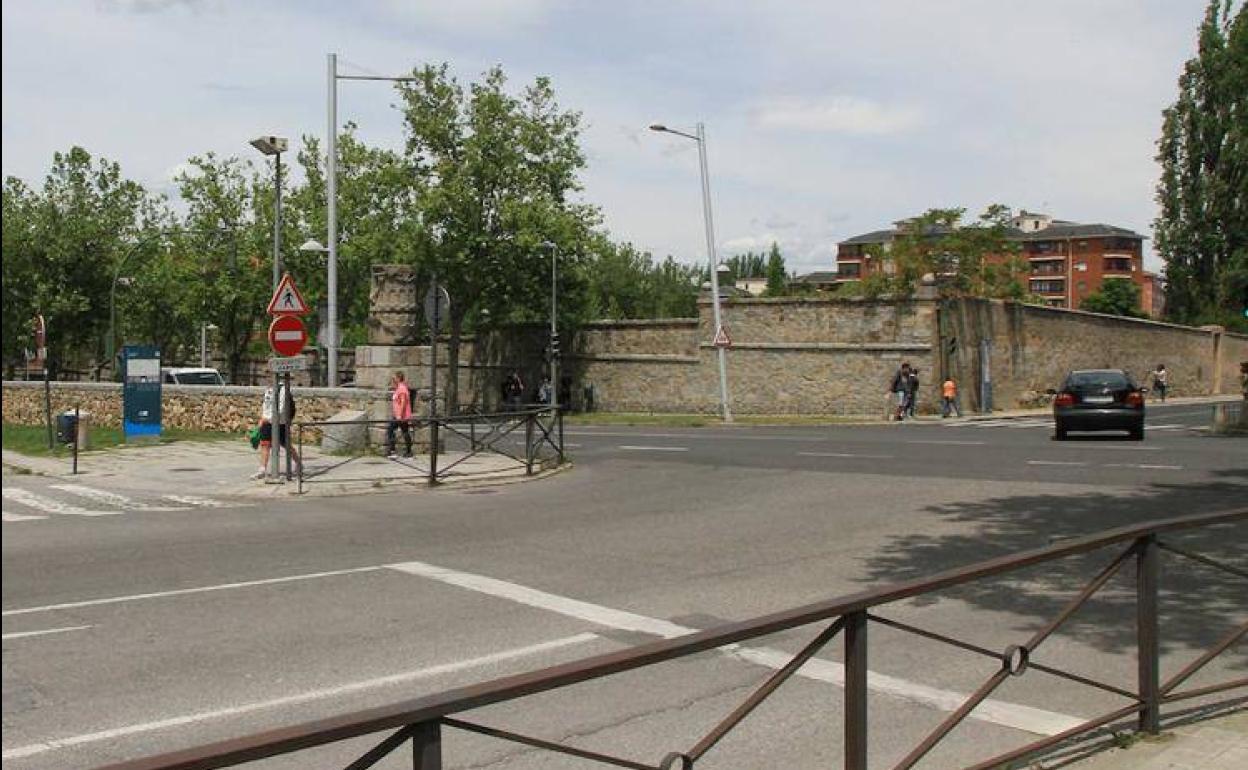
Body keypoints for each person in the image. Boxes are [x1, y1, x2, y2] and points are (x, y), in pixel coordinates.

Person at [252, 382, 302, 479]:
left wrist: (269, 418)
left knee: (286, 445)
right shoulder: (269, 388)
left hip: (279, 422)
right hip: (267, 421)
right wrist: (263, 418)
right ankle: (262, 469)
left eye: (269, 373)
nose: (267, 377)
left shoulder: (282, 389)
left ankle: (298, 463)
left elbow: (281, 408)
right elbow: (266, 405)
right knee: (265, 444)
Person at [385, 370, 413, 458]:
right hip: (399, 415)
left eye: (394, 378)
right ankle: (408, 452)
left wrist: (399, 415)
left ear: (398, 378)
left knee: (390, 430)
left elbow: (403, 402)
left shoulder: (401, 388)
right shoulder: (399, 388)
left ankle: (393, 451)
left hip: (400, 415)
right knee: (405, 431)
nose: (393, 379)